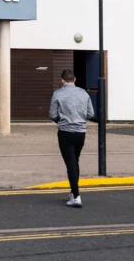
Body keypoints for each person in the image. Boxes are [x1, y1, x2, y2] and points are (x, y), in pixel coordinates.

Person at [49, 68, 95, 208]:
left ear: (62, 80)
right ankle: (73, 191)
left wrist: (62, 121)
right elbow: (91, 113)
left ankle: (76, 196)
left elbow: (52, 114)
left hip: (65, 132)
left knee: (71, 164)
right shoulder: (83, 93)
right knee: (75, 161)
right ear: (74, 79)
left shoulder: (57, 93)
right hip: (81, 133)